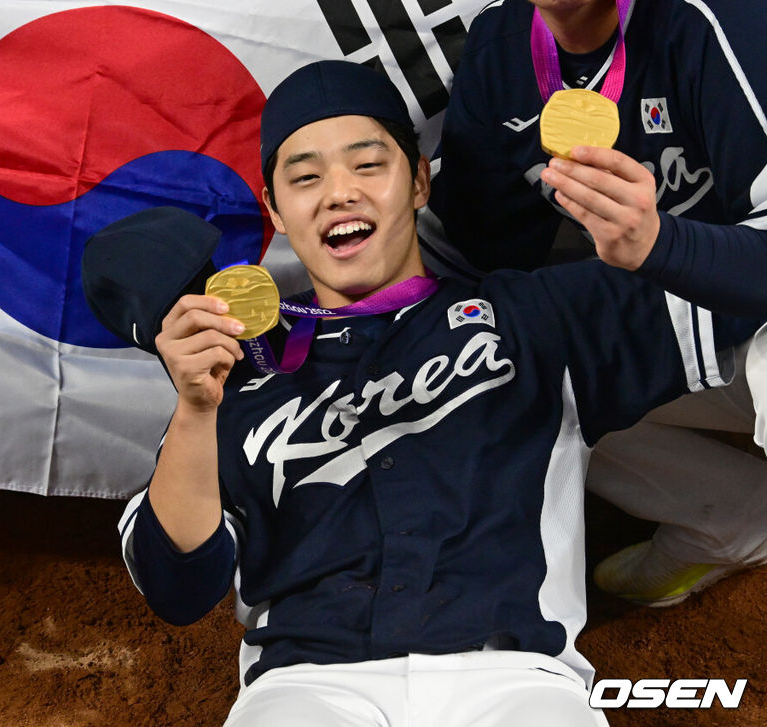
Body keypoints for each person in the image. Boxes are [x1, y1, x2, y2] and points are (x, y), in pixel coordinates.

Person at [107, 60, 760, 725]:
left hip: (516, 680)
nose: (338, 193)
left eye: (367, 166)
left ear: (419, 181)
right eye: (305, 177)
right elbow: (177, 586)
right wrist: (193, 411)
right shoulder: (234, 374)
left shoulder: (538, 313)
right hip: (307, 689)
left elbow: (746, 293)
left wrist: (659, 242)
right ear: (275, 208)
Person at [423, 0, 767, 606]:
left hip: (757, 314)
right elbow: (479, 249)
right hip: (673, 318)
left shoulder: (722, 21)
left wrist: (663, 243)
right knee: (493, 366)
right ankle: (732, 517)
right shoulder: (500, 48)